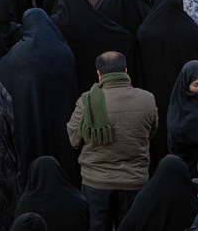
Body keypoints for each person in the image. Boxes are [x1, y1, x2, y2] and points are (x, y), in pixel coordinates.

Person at [66, 51, 158, 231]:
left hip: (96, 184)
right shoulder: (147, 99)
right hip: (134, 182)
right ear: (125, 70)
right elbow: (151, 132)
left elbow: (74, 140)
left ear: (99, 74)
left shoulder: (87, 101)